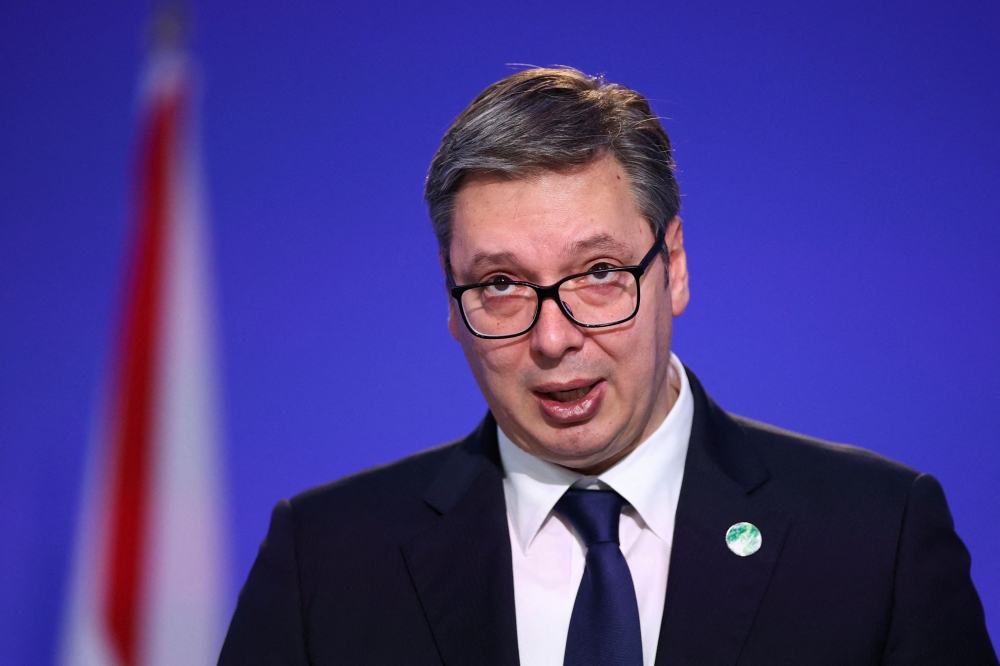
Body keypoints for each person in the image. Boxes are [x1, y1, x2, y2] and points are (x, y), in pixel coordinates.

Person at [218, 68, 997, 666]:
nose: (554, 338)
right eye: (501, 285)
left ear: (674, 267)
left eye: (598, 273)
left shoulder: (875, 538)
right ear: (451, 304)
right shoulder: (326, 560)